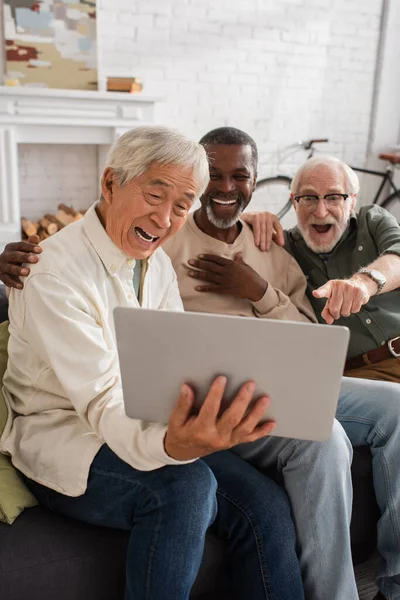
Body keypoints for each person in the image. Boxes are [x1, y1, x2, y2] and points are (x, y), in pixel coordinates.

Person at [0, 128, 360, 600]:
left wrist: (202, 416)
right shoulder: (52, 273)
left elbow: (167, 368)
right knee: (185, 487)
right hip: (68, 440)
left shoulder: (156, 263)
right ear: (110, 184)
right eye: (155, 195)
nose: (165, 218)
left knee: (266, 505)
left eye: (182, 205)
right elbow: (103, 404)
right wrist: (174, 444)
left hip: (147, 423)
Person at [246, 155, 400, 385]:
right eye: (308, 198)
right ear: (294, 202)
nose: (320, 211)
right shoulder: (282, 248)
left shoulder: (372, 221)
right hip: (360, 376)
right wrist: (245, 218)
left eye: (334, 197)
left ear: (352, 202)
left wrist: (363, 283)